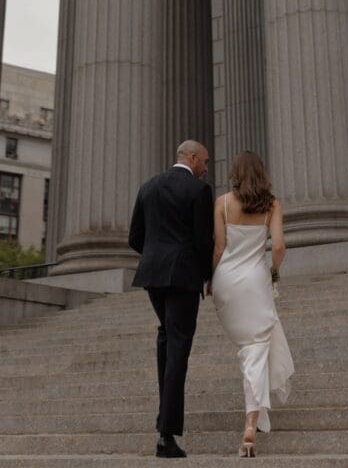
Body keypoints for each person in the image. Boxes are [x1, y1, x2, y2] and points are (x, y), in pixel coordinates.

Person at [129, 139, 214, 459]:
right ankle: (167, 434)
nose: (206, 167)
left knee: (167, 337)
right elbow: (203, 241)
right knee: (178, 346)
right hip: (183, 277)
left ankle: (164, 418)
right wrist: (208, 275)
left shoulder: (148, 186)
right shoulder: (198, 190)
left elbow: (134, 236)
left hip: (152, 274)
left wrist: (155, 256)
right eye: (204, 161)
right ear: (191, 158)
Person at [211, 150, 294, 457]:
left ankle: (258, 416)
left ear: (235, 173)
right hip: (256, 282)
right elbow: (280, 246)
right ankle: (250, 423)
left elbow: (219, 247)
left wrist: (210, 279)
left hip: (226, 283)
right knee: (255, 350)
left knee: (249, 351)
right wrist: (273, 271)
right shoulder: (272, 204)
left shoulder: (221, 203)